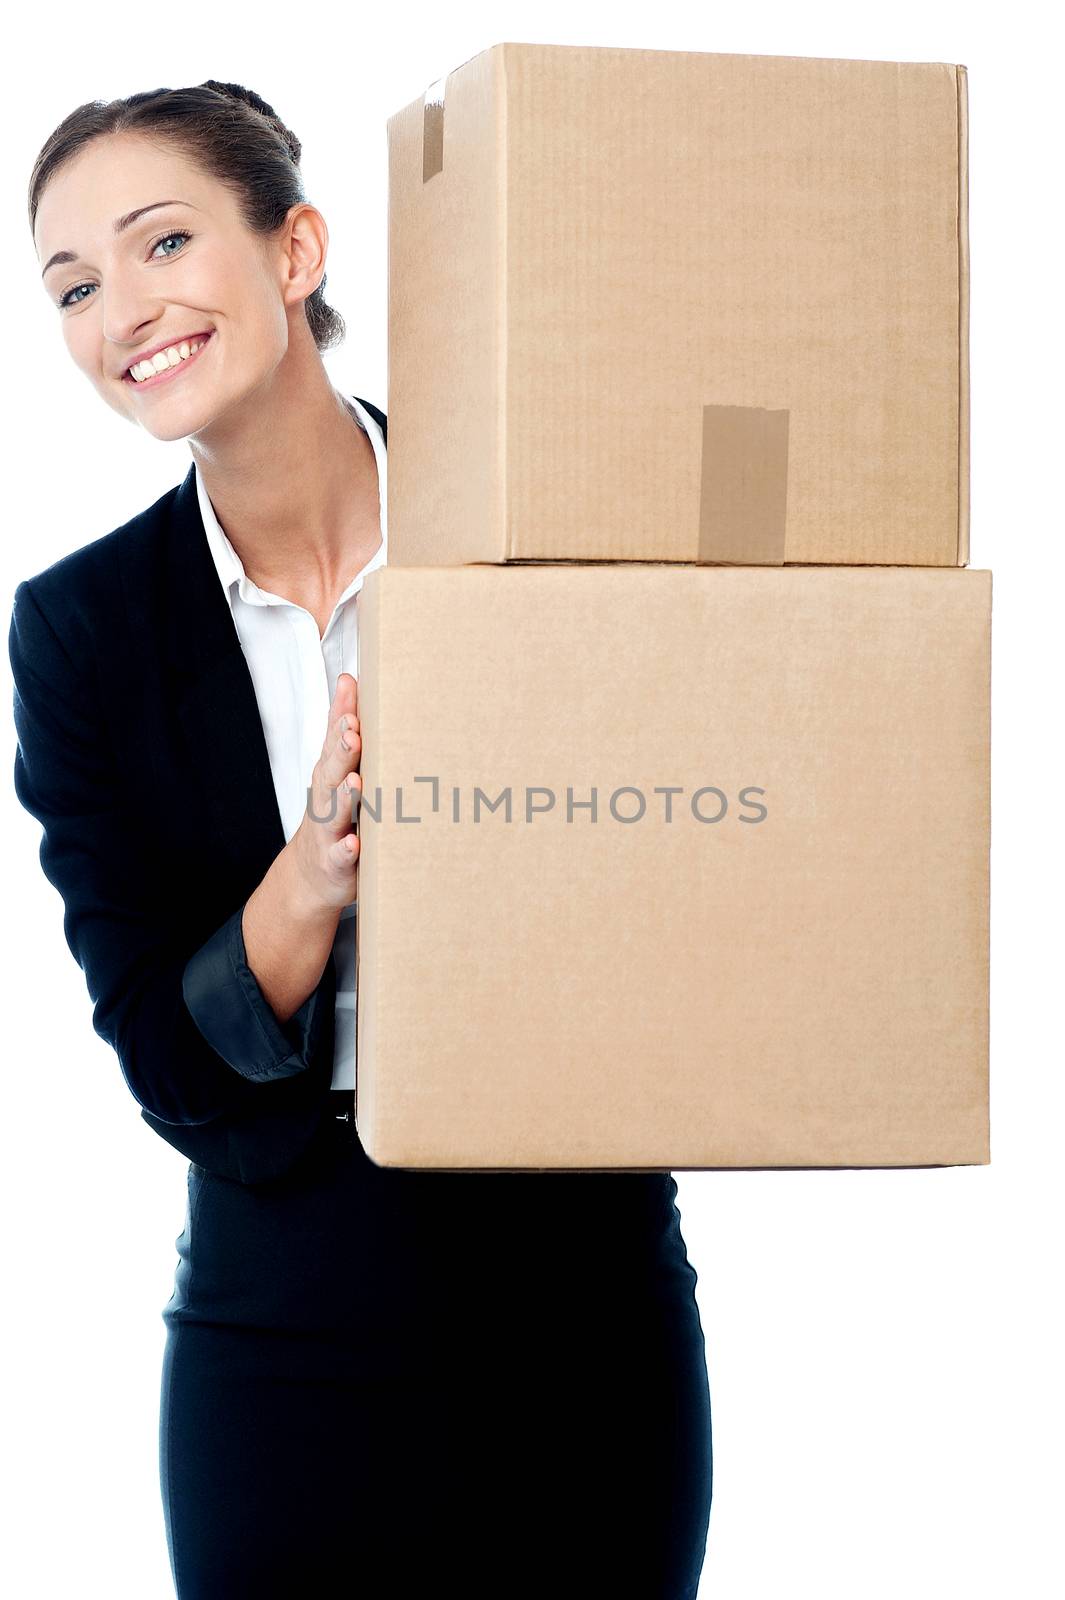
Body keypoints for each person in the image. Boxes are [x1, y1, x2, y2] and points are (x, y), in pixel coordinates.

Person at [12, 79, 713, 1598]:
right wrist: (310, 879)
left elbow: (695, 888)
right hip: (284, 1314)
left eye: (160, 244)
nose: (118, 310)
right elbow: (158, 1051)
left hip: (580, 1287)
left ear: (295, 250)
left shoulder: (537, 528)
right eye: (71, 287)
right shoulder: (79, 634)